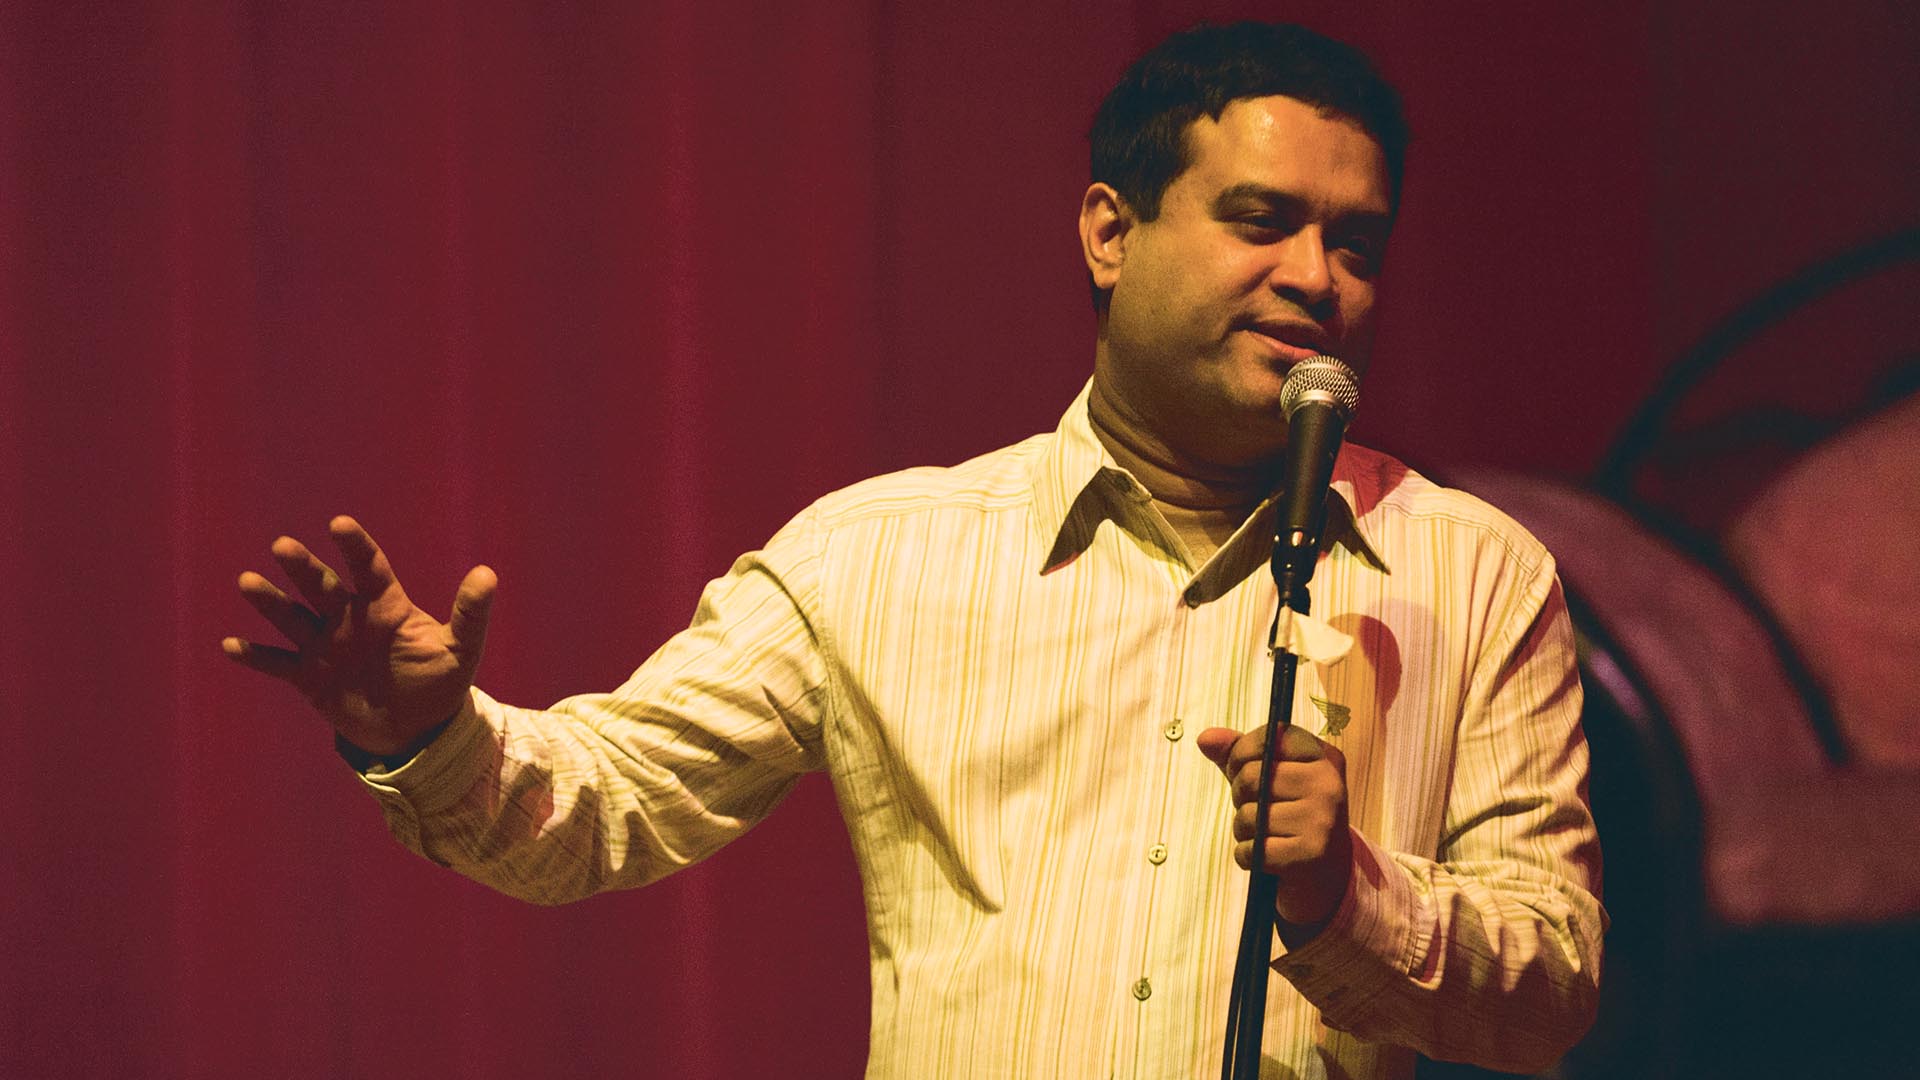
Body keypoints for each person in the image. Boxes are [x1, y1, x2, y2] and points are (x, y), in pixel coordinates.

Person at [224, 21, 1603, 1079]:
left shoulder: (1474, 572)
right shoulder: (879, 558)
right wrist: (427, 736)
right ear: (1110, 233)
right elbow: (602, 810)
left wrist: (1342, 894)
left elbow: (1553, 989)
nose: (1317, 277)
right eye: (1261, 221)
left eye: (1355, 243)